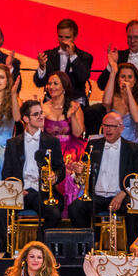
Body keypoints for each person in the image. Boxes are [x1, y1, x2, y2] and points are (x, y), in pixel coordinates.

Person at [66, 112, 138, 243]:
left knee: (132, 209)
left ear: (121, 128)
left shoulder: (134, 149)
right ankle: (88, 246)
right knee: (75, 208)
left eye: (112, 126)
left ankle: (133, 249)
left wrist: (122, 194)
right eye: (105, 126)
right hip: (96, 197)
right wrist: (79, 172)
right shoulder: (93, 145)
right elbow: (83, 175)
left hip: (121, 197)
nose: (108, 129)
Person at [0, 100, 63, 244]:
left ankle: (39, 246)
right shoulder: (12, 143)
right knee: (1, 211)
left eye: (41, 113)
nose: (41, 117)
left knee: (54, 213)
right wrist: (16, 189)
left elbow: (61, 169)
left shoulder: (52, 141)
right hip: (21, 192)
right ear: (26, 119)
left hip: (43, 192)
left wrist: (55, 176)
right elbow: (6, 172)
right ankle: (8, 248)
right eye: (36, 114)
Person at [41, 71, 86, 207]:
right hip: (50, 149)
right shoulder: (43, 107)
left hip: (70, 149)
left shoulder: (75, 106)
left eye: (55, 83)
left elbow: (78, 133)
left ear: (64, 87)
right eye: (49, 83)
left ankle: (70, 208)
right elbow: (39, 135)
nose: (51, 87)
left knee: (70, 170)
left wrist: (72, 115)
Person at [31, 18, 93, 104]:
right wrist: (42, 67)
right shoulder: (48, 55)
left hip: (76, 102)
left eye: (67, 37)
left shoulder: (85, 57)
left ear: (75, 37)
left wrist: (73, 56)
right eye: (60, 37)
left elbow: (83, 78)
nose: (63, 41)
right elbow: (39, 83)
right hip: (51, 103)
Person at [101, 62, 138, 143]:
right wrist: (113, 73)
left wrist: (128, 92)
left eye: (130, 77)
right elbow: (106, 102)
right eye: (123, 77)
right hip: (112, 142)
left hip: (131, 144)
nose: (126, 80)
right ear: (118, 80)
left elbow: (137, 118)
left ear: (135, 81)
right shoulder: (113, 98)